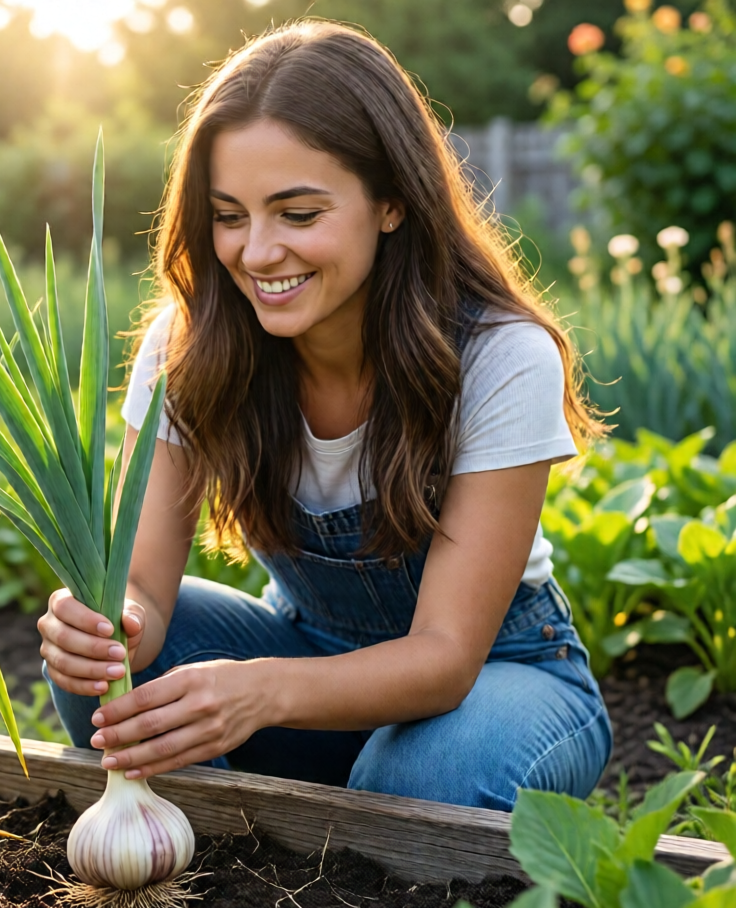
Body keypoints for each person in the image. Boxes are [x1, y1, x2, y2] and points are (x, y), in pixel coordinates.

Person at [38, 19, 613, 811]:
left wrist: (260, 694)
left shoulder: (500, 357)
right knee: (114, 680)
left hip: (493, 678)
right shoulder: (190, 345)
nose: (257, 252)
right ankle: (247, 859)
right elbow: (143, 583)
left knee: (422, 781)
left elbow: (445, 657)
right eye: (229, 215)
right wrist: (111, 624)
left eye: (298, 214)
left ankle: (369, 802)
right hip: (309, 653)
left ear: (390, 203)